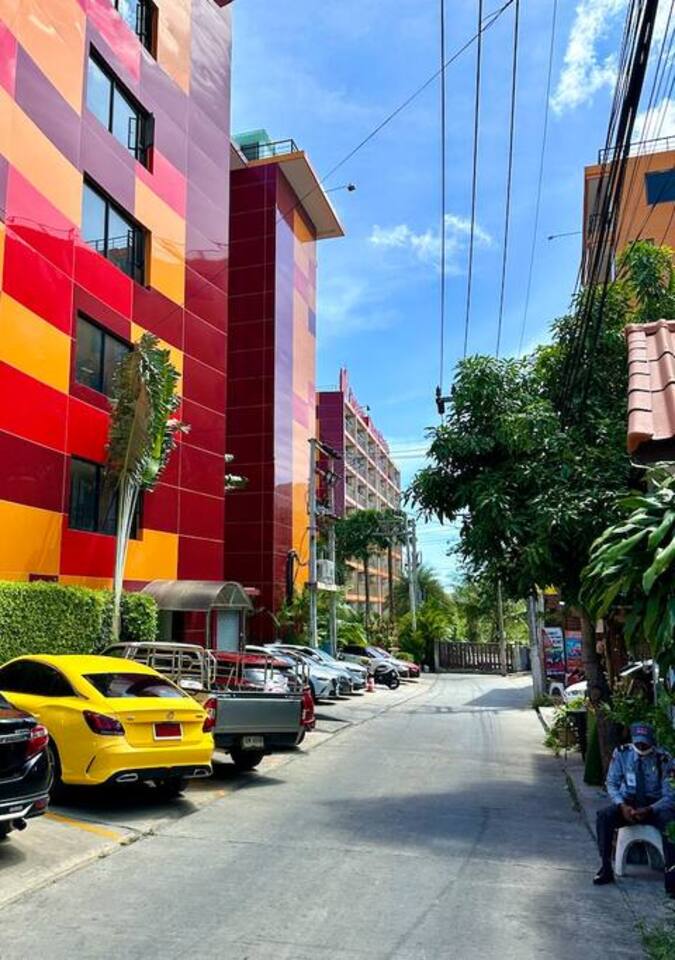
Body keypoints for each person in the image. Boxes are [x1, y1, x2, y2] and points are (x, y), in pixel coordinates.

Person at [594, 722, 675, 893]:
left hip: (655, 805)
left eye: (645, 743)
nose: (641, 746)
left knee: (671, 825)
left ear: (652, 742)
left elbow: (670, 795)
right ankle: (606, 868)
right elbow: (612, 783)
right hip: (628, 803)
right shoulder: (622, 754)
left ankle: (672, 877)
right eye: (638, 742)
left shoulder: (664, 759)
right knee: (604, 816)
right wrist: (622, 805)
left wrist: (649, 809)